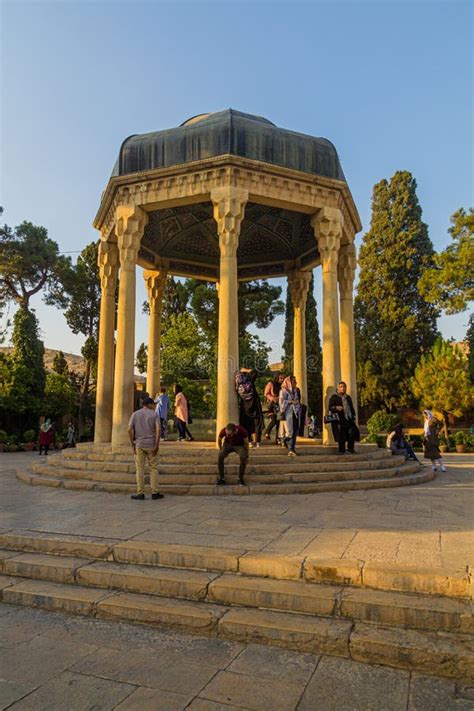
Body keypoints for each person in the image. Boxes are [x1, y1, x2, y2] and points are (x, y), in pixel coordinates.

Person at [127, 397, 164, 500]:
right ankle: (155, 492)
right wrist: (157, 445)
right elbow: (158, 429)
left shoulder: (135, 414)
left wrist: (132, 443)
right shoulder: (154, 414)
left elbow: (129, 429)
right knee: (153, 468)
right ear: (149, 404)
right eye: (153, 404)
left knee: (140, 469)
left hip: (139, 444)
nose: (154, 405)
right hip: (151, 444)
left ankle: (140, 493)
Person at [235, 369, 263, 447]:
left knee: (245, 423)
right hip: (254, 404)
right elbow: (254, 372)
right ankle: (257, 442)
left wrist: (240, 371)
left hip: (245, 406)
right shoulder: (249, 380)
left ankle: (250, 441)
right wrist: (245, 369)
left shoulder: (238, 385)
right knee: (257, 423)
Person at [328, 382, 357, 454]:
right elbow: (330, 407)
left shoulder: (348, 397)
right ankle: (341, 450)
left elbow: (351, 407)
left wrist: (353, 415)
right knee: (341, 435)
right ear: (338, 388)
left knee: (352, 432)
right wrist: (336, 407)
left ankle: (351, 448)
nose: (343, 388)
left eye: (344, 387)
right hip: (339, 419)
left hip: (348, 418)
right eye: (341, 387)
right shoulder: (334, 397)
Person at [278, 375, 301, 456]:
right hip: (289, 413)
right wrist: (291, 402)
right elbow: (281, 403)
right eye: (294, 381)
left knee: (295, 431)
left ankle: (285, 441)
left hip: (296, 412)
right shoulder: (283, 391)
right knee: (291, 431)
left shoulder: (295, 391)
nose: (296, 383)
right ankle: (291, 449)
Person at [263, 373, 284, 442]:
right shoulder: (271, 384)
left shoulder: (283, 385)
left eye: (283, 378)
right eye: (280, 378)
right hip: (272, 405)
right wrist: (272, 398)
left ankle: (278, 438)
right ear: (277, 377)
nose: (282, 379)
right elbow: (266, 393)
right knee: (274, 420)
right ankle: (267, 432)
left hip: (280, 405)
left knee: (279, 422)